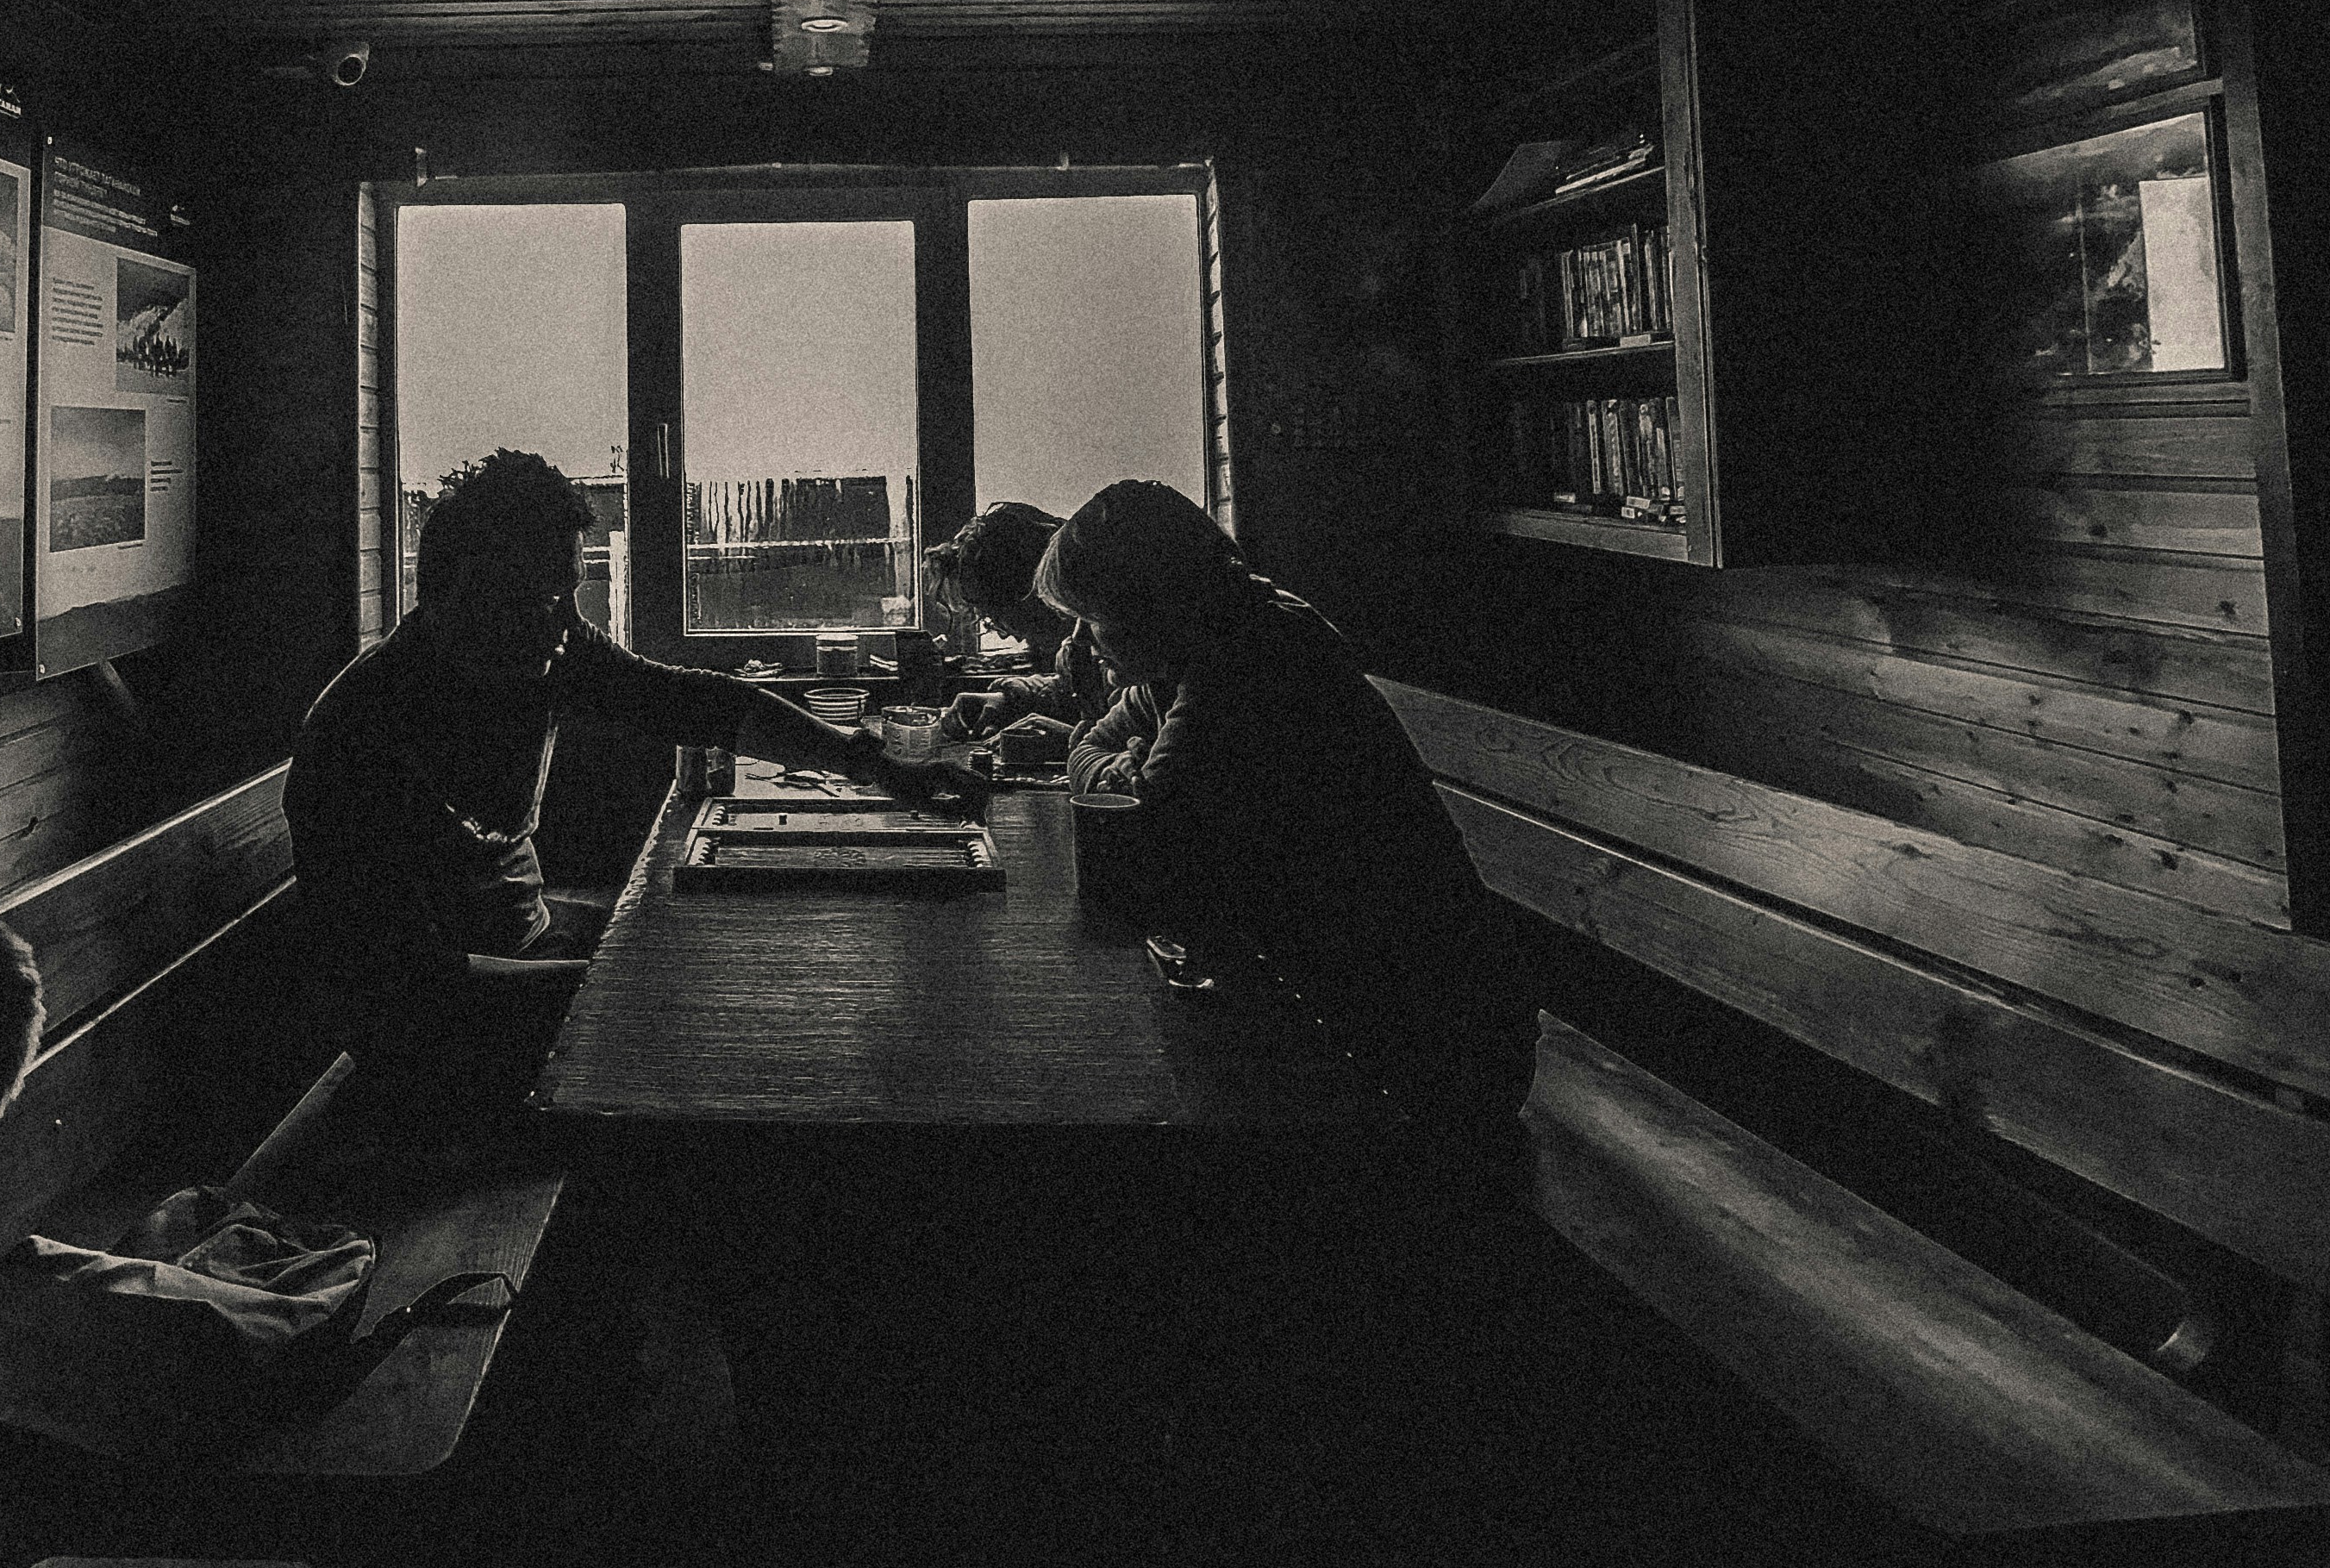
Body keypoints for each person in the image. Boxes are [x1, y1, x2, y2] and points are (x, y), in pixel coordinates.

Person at [287, 447, 944, 1115]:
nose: (570, 624)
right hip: (434, 1036)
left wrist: (870, 764)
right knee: (718, 1018)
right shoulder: (357, 737)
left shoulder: (543, 650)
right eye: (547, 597)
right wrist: (613, 984)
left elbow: (699, 703)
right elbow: (403, 997)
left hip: (528, 946)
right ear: (465, 589)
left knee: (741, 964)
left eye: (570, 592)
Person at [1040, 478, 1536, 1175]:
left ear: (1142, 604)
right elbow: (1091, 748)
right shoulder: (1208, 641)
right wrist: (1122, 772)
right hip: (1377, 1006)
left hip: (1430, 1050)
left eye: (1090, 618)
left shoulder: (1250, 660)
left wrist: (1125, 779)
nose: (1081, 641)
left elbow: (1148, 849)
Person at [921, 501, 1111, 770]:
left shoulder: (1120, 644)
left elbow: (1146, 751)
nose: (1002, 634)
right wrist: (1008, 699)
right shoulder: (1077, 643)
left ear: (1030, 592)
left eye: (997, 614)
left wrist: (1073, 743)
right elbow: (1076, 691)